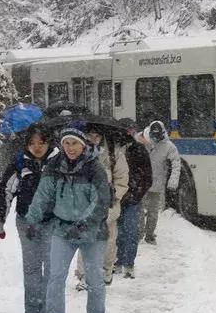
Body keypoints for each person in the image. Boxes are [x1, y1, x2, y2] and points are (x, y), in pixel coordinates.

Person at [25, 127, 110, 313]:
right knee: (55, 278)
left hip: (93, 232)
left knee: (94, 279)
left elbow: (100, 203)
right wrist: (32, 220)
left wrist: (82, 225)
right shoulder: (54, 167)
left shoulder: (95, 168)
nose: (70, 148)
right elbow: (43, 195)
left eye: (74, 143)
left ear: (83, 145)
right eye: (66, 144)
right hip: (62, 229)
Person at [0, 123, 57, 313]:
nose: (37, 147)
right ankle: (32, 312)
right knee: (31, 267)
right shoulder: (20, 163)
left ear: (49, 142)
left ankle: (50, 311)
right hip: (26, 221)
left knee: (52, 267)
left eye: (41, 142)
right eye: (32, 143)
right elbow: (6, 191)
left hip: (52, 221)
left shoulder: (58, 162)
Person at [74, 123, 129, 287]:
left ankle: (106, 270)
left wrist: (114, 196)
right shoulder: (79, 152)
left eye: (97, 136)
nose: (93, 139)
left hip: (108, 205)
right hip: (85, 205)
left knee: (109, 241)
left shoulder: (114, 152)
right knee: (84, 239)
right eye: (90, 135)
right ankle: (83, 275)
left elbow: (122, 178)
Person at [115, 119, 151, 278]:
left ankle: (128, 263)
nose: (128, 132)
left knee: (129, 231)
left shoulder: (139, 150)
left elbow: (147, 177)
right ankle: (117, 261)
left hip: (131, 199)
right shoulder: (113, 150)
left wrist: (136, 195)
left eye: (130, 129)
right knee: (117, 232)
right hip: (116, 198)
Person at [136, 120, 181, 244]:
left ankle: (150, 235)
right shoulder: (141, 139)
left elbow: (176, 163)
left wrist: (173, 179)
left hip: (156, 183)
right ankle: (139, 233)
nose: (155, 139)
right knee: (138, 208)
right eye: (153, 136)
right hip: (141, 182)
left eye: (157, 137)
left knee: (153, 211)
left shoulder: (168, 146)